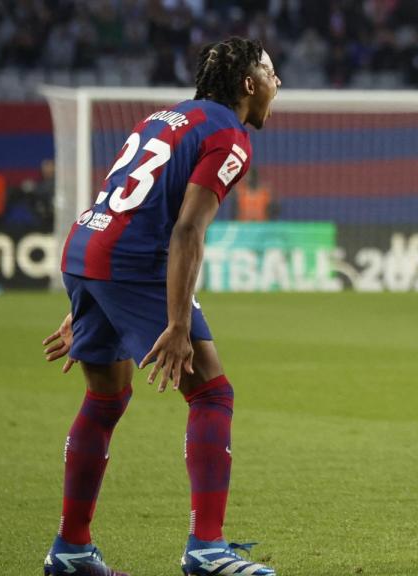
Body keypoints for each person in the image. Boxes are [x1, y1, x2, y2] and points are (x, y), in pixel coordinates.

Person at [41, 37, 281, 576]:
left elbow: (124, 196)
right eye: (271, 73)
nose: (277, 83)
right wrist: (176, 325)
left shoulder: (165, 118)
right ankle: (207, 550)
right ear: (248, 84)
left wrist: (92, 300)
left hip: (87, 245)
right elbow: (188, 230)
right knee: (212, 392)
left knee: (105, 397)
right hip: (130, 259)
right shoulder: (229, 137)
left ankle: (72, 550)